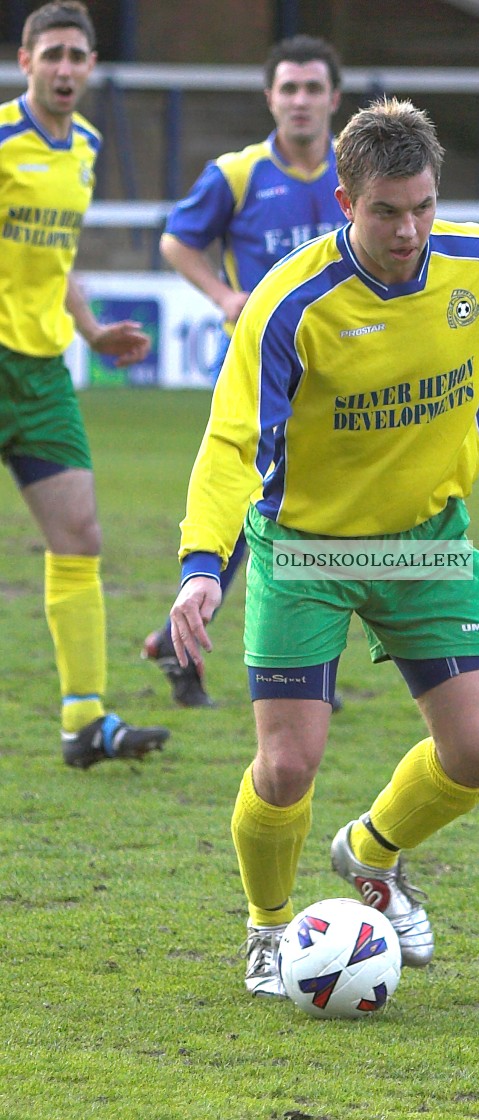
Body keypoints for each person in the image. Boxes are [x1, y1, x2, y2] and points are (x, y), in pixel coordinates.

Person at [169, 98, 479, 997]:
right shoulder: (291, 303)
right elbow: (230, 446)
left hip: (426, 544)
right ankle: (267, 931)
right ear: (346, 200)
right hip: (306, 550)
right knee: (288, 763)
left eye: (421, 206)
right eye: (386, 211)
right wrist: (200, 568)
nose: (408, 229)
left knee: (478, 754)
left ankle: (371, 851)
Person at [142, 34, 345, 709]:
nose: (300, 101)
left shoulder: (357, 174)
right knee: (258, 507)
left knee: (315, 513)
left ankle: (289, 661)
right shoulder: (238, 174)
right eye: (288, 88)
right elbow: (177, 240)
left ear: (333, 99)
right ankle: (262, 655)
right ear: (269, 97)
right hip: (262, 377)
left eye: (312, 88)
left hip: (338, 378)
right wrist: (225, 297)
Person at [0, 2, 169, 769]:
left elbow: (57, 258)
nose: (65, 68)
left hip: (39, 373)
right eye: (52, 54)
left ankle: (84, 721)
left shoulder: (87, 147)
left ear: (92, 65)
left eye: (78, 56)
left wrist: (93, 330)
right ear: (25, 58)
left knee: (79, 536)